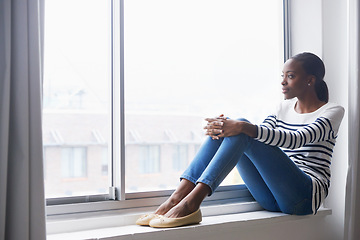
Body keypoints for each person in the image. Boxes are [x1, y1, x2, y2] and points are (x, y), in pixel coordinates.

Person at [136, 52, 345, 228]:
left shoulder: (332, 111)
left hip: (303, 198)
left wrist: (241, 126)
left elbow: (297, 140)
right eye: (282, 76)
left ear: (310, 80)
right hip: (271, 197)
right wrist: (224, 127)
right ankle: (176, 198)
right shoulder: (282, 108)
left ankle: (192, 203)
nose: (282, 82)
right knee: (233, 128)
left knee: (243, 127)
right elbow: (263, 135)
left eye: (290, 76)